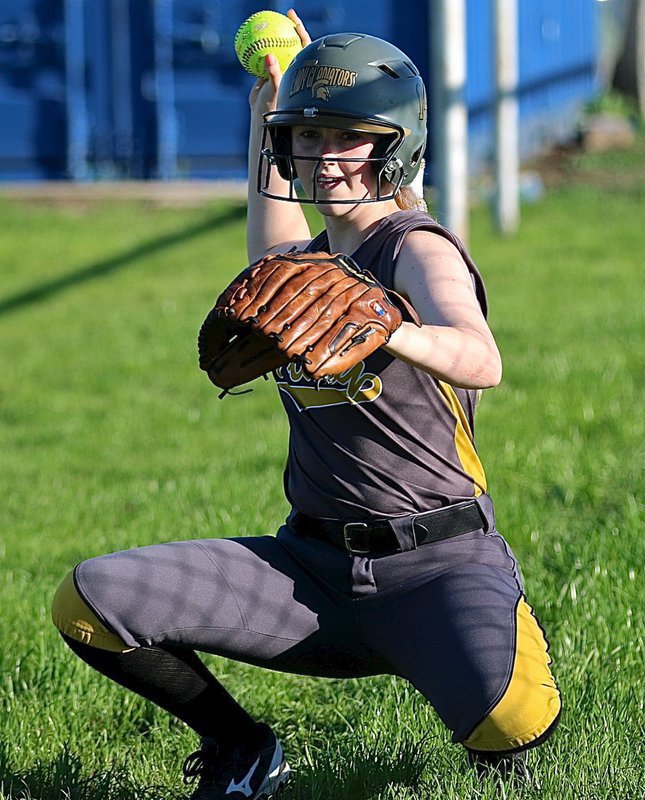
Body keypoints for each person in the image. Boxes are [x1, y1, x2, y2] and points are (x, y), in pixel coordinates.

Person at [51, 10, 561, 800]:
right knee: (91, 602)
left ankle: (481, 653)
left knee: (511, 725)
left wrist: (388, 326)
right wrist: (266, 109)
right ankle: (243, 751)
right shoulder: (306, 265)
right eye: (307, 138)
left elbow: (479, 356)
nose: (325, 159)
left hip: (435, 565)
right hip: (311, 572)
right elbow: (271, 251)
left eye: (347, 138)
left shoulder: (413, 246)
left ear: (395, 146)